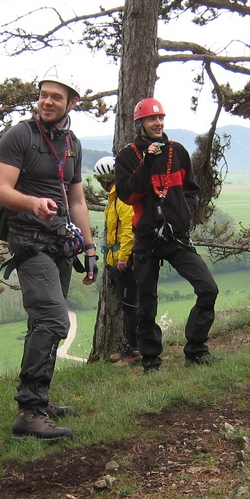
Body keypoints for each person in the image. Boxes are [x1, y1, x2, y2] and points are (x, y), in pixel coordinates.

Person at [0, 69, 98, 440]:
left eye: (56, 96)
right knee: (54, 319)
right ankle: (30, 411)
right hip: (28, 241)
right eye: (43, 95)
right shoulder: (21, 136)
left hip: (60, 243)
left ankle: (40, 399)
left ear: (72, 102)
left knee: (43, 322)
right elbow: (2, 189)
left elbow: (77, 200)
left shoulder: (72, 143)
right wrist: (33, 202)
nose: (47, 102)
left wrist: (89, 247)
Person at [114, 98, 220, 373]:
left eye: (160, 118)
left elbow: (191, 190)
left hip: (176, 238)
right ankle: (151, 361)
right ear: (140, 123)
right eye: (152, 119)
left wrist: (184, 213)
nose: (158, 123)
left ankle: (196, 351)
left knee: (208, 289)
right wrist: (147, 163)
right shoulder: (127, 157)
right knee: (146, 304)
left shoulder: (178, 151)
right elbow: (128, 195)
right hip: (146, 240)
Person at [92, 155, 140, 366]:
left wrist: (122, 260)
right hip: (118, 259)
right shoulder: (114, 198)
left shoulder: (122, 198)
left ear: (107, 179)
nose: (100, 185)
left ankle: (135, 351)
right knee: (128, 306)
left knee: (131, 307)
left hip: (126, 261)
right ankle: (131, 347)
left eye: (101, 181)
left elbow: (129, 229)